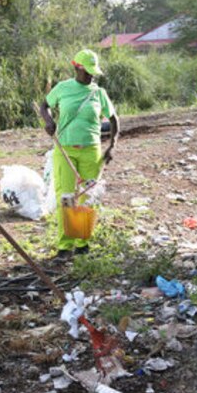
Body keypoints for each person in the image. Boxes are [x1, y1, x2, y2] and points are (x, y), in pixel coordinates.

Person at [38, 49, 119, 258]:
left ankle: (83, 244)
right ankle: (65, 247)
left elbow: (114, 119)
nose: (91, 76)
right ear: (76, 68)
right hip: (64, 149)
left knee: (88, 197)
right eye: (87, 71)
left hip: (91, 151)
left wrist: (112, 146)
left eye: (93, 72)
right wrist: (48, 121)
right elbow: (44, 106)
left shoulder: (98, 92)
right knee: (66, 197)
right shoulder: (63, 88)